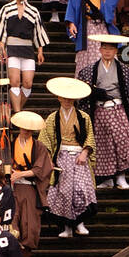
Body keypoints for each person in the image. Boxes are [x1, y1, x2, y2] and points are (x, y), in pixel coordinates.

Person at [78, 32, 129, 190]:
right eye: (104, 48)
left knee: (122, 139)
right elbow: (81, 89)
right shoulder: (89, 70)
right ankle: (106, 179)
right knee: (102, 145)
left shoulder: (124, 70)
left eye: (111, 49)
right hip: (99, 111)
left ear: (116, 51)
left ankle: (121, 176)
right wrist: (92, 90)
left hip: (117, 109)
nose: (107, 51)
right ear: (100, 50)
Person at [40, 76, 97, 239]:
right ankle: (67, 226)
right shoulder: (52, 118)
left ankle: (79, 222)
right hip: (61, 156)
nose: (66, 100)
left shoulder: (83, 117)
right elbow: (45, 140)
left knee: (81, 189)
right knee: (63, 192)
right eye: (63, 97)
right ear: (58, 98)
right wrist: (49, 159)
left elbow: (90, 137)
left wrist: (85, 152)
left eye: (70, 98)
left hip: (79, 156)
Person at [0, 111, 53, 257]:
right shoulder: (8, 145)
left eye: (30, 130)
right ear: (20, 128)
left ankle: (25, 254)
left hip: (29, 187)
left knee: (30, 222)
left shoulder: (38, 146)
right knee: (11, 219)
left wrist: (20, 174)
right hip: (11, 187)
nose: (27, 131)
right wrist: (8, 174)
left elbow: (42, 168)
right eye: (24, 128)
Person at [0, 0, 49, 117]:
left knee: (28, 83)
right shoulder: (7, 8)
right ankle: (17, 112)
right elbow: (1, 31)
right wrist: (2, 48)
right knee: (15, 81)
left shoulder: (33, 11)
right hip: (12, 47)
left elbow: (38, 32)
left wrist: (40, 51)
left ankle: (17, 111)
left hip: (28, 49)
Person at [65, 0, 120, 75]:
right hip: (86, 29)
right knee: (86, 60)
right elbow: (71, 11)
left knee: (106, 58)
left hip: (102, 28)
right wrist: (71, 24)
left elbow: (113, 3)